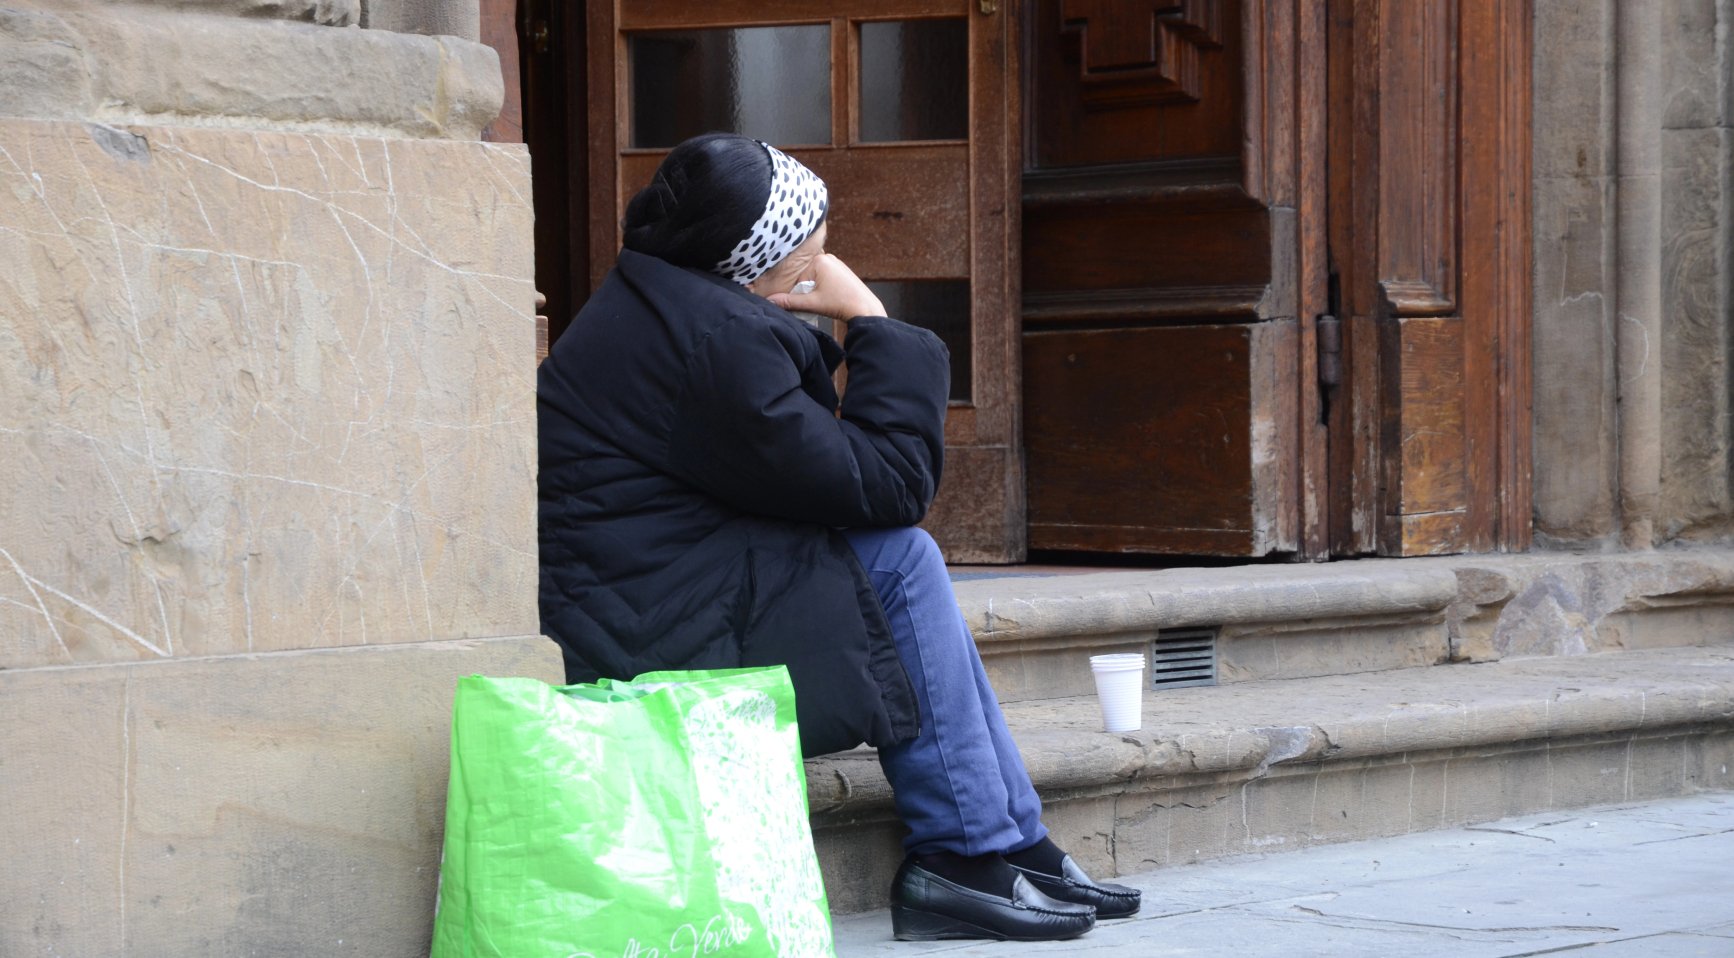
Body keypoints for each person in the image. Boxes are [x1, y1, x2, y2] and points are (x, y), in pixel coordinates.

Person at [538, 132, 1140, 942]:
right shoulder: (712, 342)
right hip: (648, 630)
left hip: (657, 590)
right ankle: (962, 851)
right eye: (808, 264)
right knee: (898, 558)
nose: (821, 276)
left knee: (898, 560)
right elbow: (889, 487)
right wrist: (870, 319)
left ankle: (1011, 839)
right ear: (752, 268)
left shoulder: (668, 305)